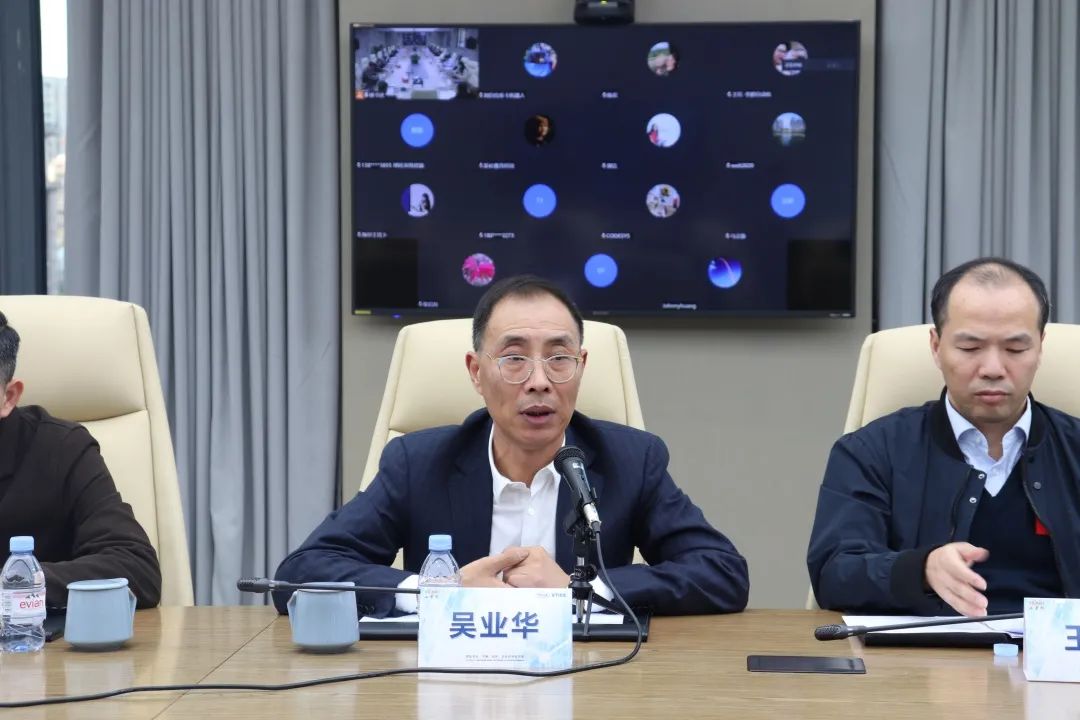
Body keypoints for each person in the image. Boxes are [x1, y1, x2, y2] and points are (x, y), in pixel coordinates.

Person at [275, 275, 749, 617]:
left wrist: (581, 589)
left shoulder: (630, 461)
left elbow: (723, 573)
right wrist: (441, 590)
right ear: (476, 372)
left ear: (581, 367)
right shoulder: (418, 463)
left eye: (559, 358)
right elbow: (300, 572)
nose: (539, 381)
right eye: (515, 358)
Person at [807, 258, 1077, 617]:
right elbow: (834, 572)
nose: (993, 369)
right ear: (936, 346)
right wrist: (920, 570)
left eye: (1015, 349)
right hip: (922, 649)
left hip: (1058, 650)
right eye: (970, 348)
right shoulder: (872, 451)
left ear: (1040, 347)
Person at [0, 311, 161, 609]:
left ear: (8, 397)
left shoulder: (60, 449)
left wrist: (16, 584)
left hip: (32, 636)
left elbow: (137, 569)